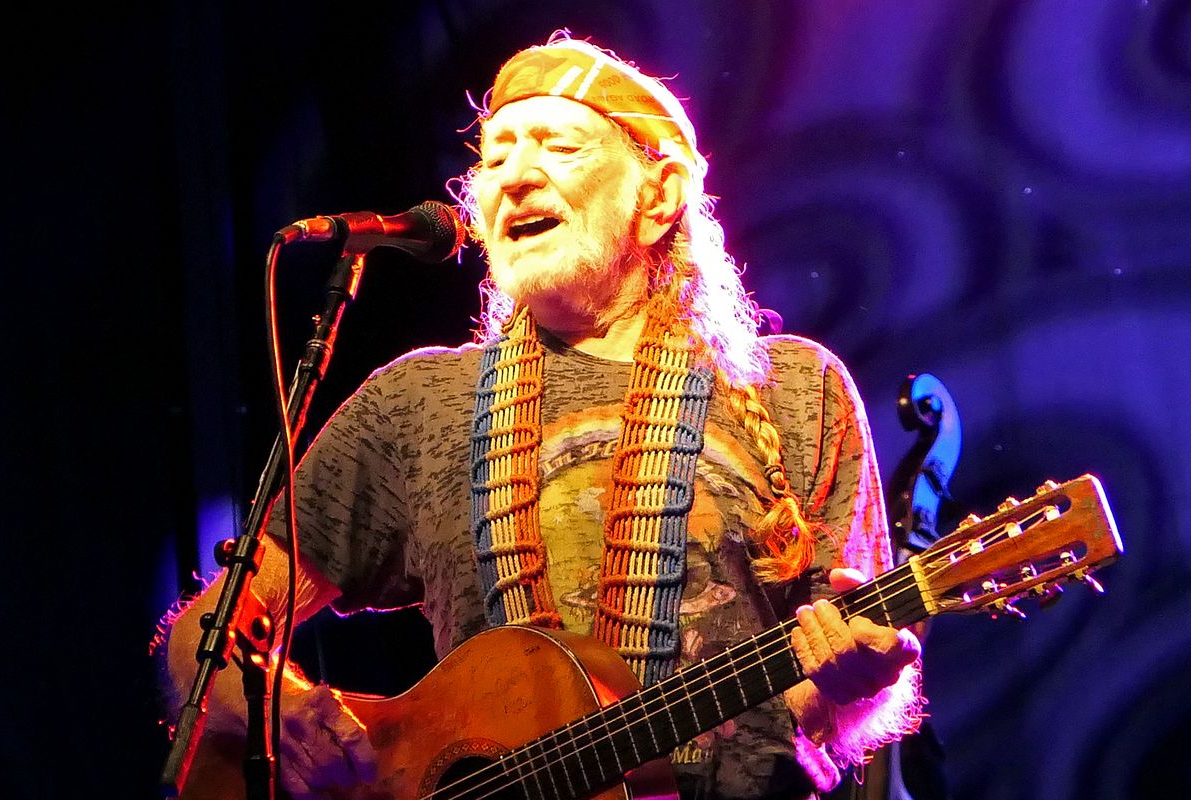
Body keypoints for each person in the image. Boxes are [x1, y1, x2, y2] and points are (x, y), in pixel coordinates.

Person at [161, 31, 923, 800]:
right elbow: (207, 633)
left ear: (658, 197)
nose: (514, 178)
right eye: (493, 159)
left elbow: (851, 681)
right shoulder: (416, 405)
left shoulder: (792, 386)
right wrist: (283, 716)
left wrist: (857, 687)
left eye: (558, 146)